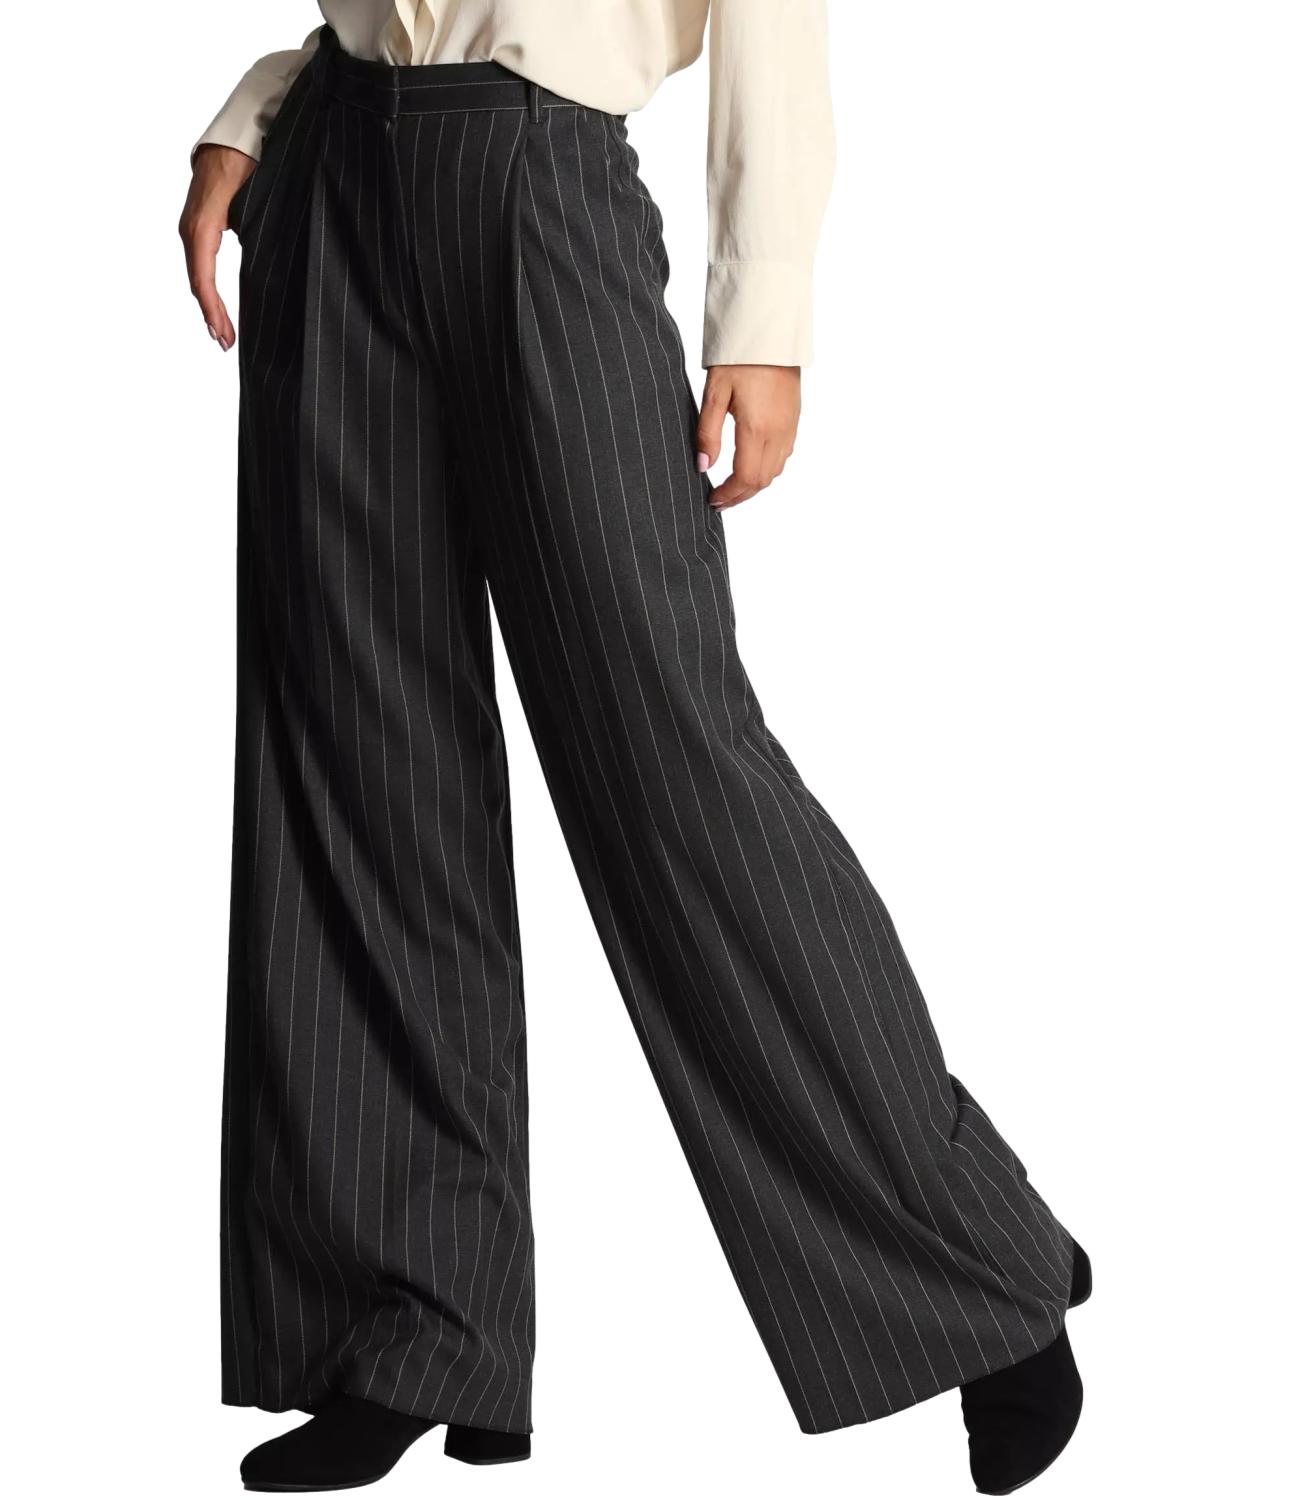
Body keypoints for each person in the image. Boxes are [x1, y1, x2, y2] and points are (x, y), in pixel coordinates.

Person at [180, 5, 1089, 1494]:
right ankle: (413, 1328)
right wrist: (262, 109)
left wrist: (763, 313)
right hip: (335, 180)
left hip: (546, 189)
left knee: (674, 772)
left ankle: (977, 1274)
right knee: (355, 774)